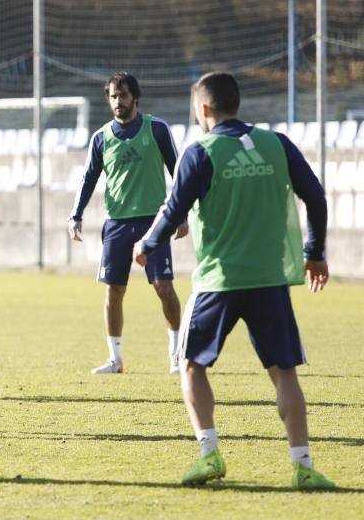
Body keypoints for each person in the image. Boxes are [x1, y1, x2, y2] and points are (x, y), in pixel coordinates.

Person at [134, 72, 334, 490]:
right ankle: (303, 466)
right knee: (285, 373)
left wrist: (148, 242)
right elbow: (314, 195)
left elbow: (173, 209)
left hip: (217, 281)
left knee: (190, 364)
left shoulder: (201, 151)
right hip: (269, 279)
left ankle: (209, 456)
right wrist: (314, 254)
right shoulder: (276, 144)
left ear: (203, 109)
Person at [69, 72, 188, 375]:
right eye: (112, 96)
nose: (117, 102)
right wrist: (76, 214)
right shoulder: (101, 138)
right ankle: (115, 359)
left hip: (154, 222)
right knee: (113, 291)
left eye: (122, 96)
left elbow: (179, 171)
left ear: (135, 97)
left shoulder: (157, 129)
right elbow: (88, 179)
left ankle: (176, 354)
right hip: (117, 224)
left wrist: (182, 214)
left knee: (163, 286)